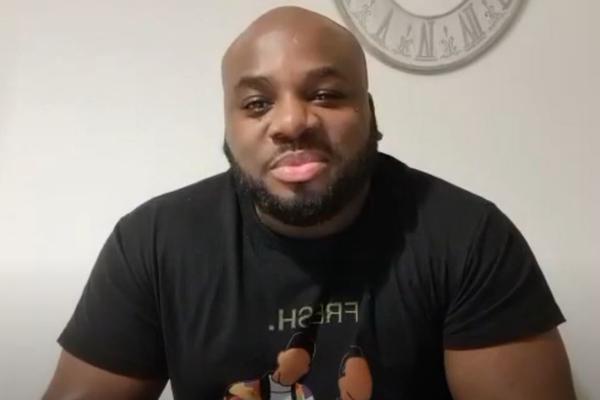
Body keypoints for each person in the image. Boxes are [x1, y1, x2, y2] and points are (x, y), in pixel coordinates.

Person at [43, 6, 576, 400]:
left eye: (325, 95)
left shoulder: (468, 238)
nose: (293, 122)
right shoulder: (152, 244)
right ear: (228, 128)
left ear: (368, 112)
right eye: (257, 103)